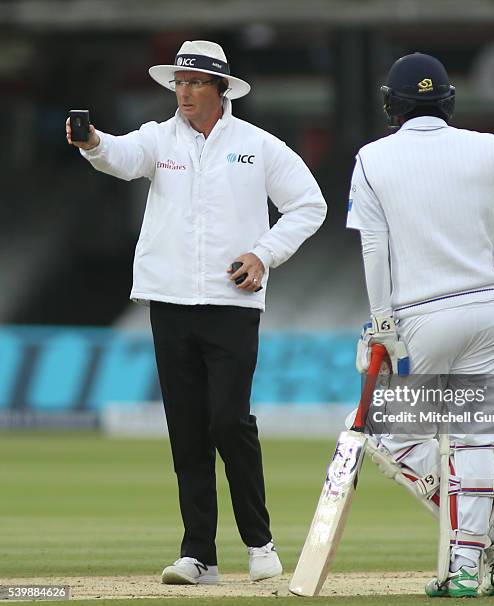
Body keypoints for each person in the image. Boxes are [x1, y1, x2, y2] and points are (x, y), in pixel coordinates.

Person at [67, 40, 327, 585]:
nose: (182, 92)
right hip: (169, 301)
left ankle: (260, 543)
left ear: (221, 89)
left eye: (194, 83)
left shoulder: (258, 146)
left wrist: (264, 253)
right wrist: (91, 141)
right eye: (178, 83)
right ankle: (199, 556)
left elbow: (310, 204)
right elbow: (119, 154)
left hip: (231, 304)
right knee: (186, 429)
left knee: (229, 421)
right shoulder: (158, 139)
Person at [346, 52, 494, 597]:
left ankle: (492, 532)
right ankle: (467, 569)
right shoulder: (488, 146)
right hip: (492, 313)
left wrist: (381, 318)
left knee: (395, 440)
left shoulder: (372, 158)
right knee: (476, 445)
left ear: (392, 103)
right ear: (447, 100)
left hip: (423, 318)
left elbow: (375, 244)